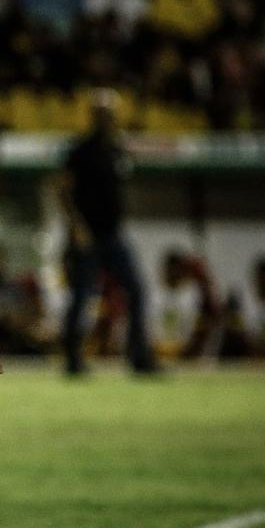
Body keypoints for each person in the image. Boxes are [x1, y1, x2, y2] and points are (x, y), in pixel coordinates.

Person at [56, 88, 158, 375]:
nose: (106, 119)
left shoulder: (116, 149)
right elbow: (63, 190)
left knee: (136, 290)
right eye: (101, 113)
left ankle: (139, 357)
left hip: (113, 234)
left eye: (110, 114)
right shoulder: (80, 150)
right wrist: (77, 227)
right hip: (88, 234)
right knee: (82, 296)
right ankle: (73, 359)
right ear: (93, 116)